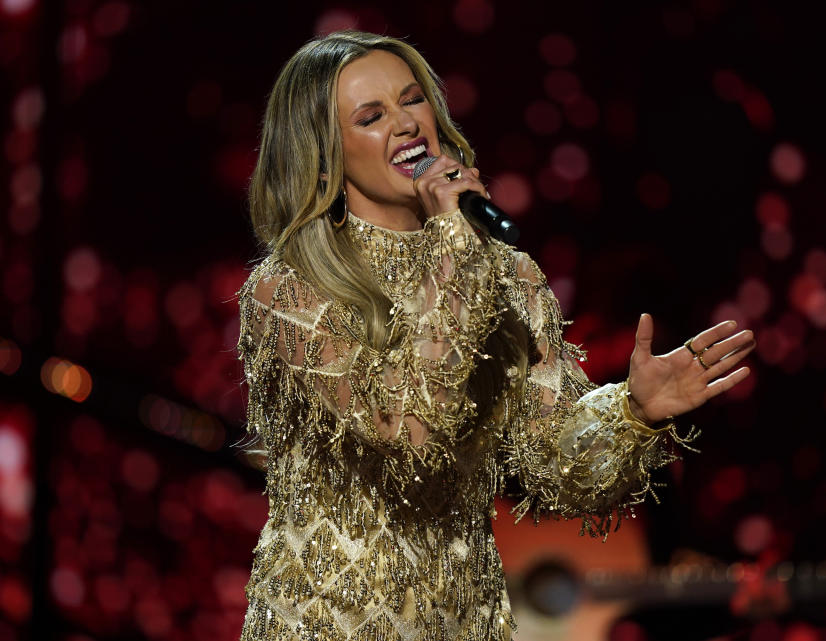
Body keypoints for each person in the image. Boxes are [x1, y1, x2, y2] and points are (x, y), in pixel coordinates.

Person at [234, 29, 755, 641]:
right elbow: (407, 432)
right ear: (324, 151)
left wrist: (632, 412)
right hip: (327, 623)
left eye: (413, 100)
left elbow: (554, 471)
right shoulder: (291, 287)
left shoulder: (506, 275)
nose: (407, 124)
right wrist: (454, 242)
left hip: (468, 619)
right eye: (373, 116)